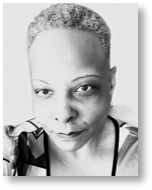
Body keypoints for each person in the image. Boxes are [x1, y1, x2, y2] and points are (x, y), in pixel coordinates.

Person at [3, 3, 138, 176]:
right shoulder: (11, 149)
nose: (64, 114)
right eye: (44, 91)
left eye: (84, 88)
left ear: (110, 83)